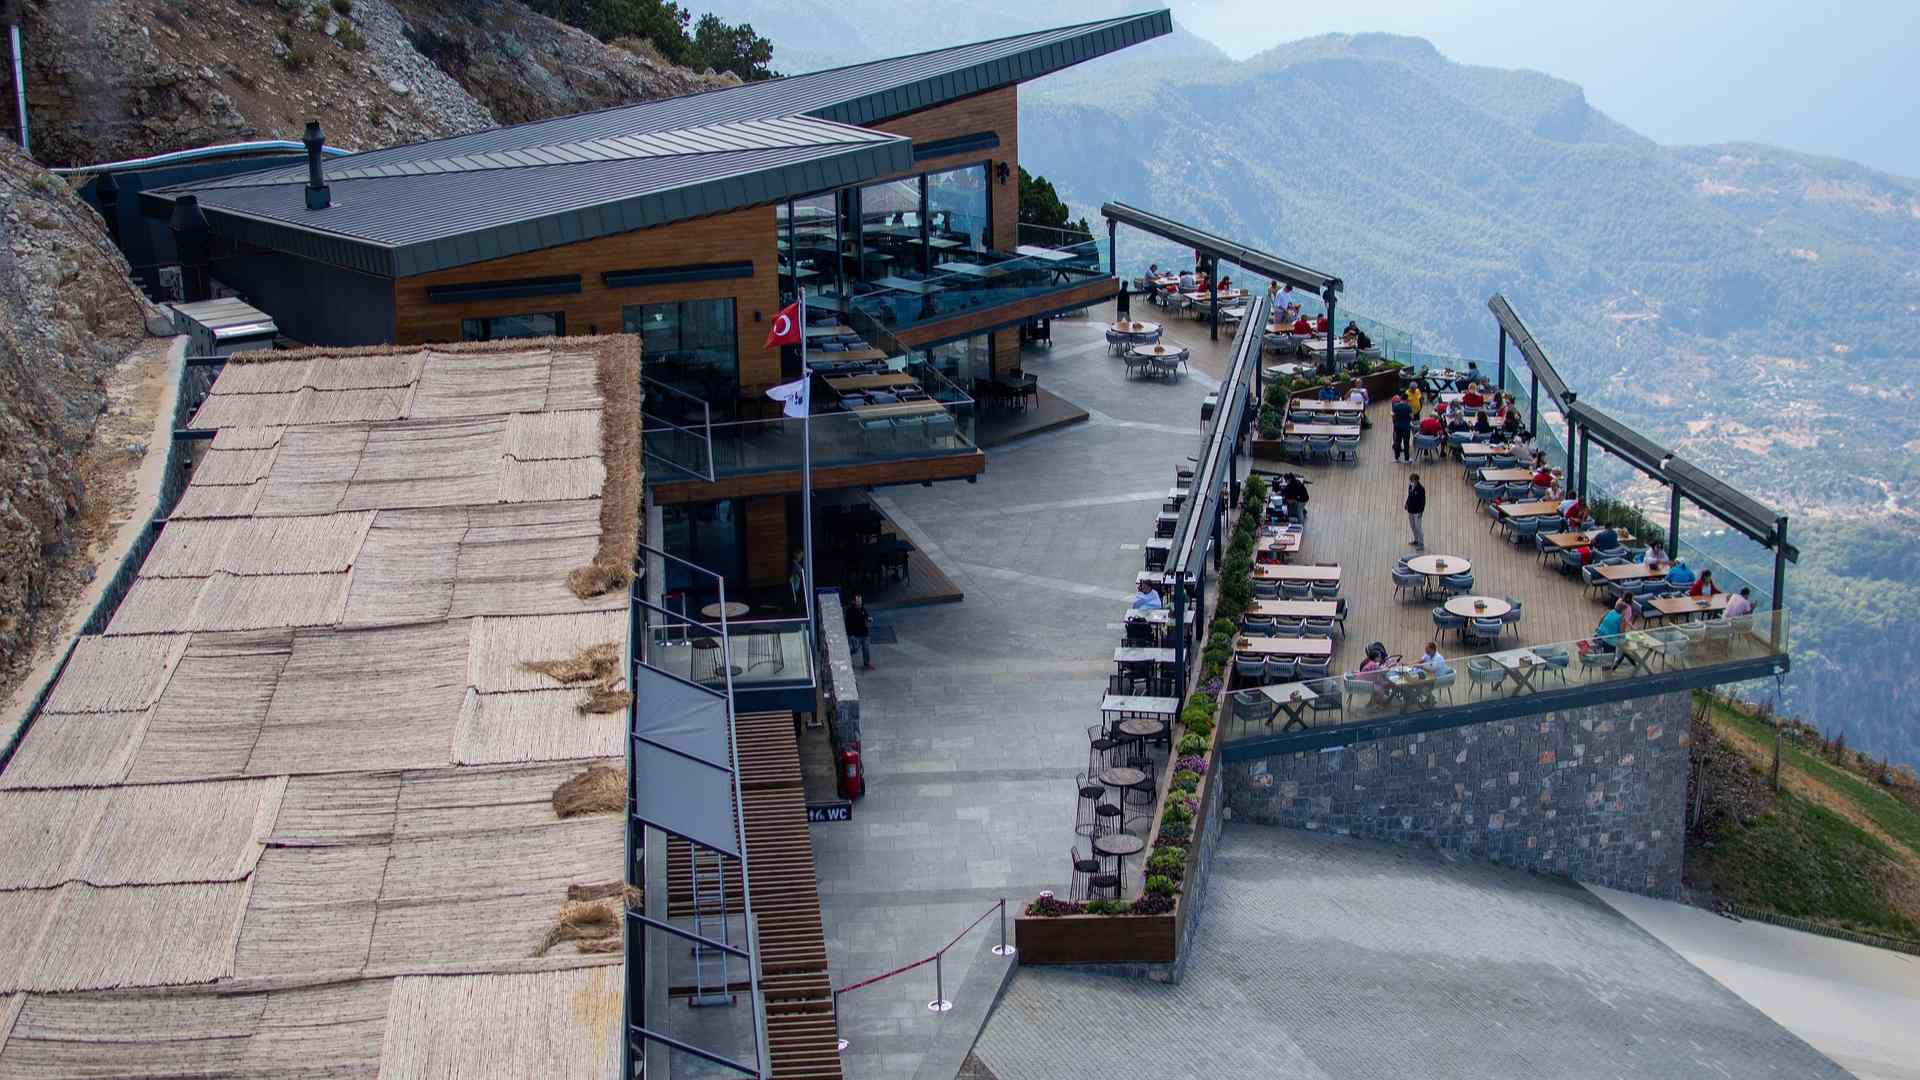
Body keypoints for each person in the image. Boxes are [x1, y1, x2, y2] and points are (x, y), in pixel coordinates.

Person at [1592, 598, 1639, 670]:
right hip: (1609, 641)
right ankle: (1607, 673)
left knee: (1622, 648)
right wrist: (1629, 637)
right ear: (1623, 610)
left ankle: (1622, 661)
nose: (1626, 613)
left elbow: (1601, 619)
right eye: (1625, 611)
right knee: (1625, 647)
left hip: (1598, 636)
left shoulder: (1611, 612)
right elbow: (1621, 633)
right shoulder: (1621, 619)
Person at [844, 593, 874, 670]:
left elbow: (866, 615)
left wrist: (869, 618)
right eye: (857, 601)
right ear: (854, 601)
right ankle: (846, 657)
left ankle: (866, 664)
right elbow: (847, 623)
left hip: (864, 632)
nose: (859, 603)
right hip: (855, 634)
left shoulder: (862, 608)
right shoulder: (850, 611)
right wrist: (850, 635)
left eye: (860, 601)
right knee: (855, 649)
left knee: (866, 649)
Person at [1405, 473, 1427, 548]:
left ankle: (1421, 543)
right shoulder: (1410, 486)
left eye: (1413, 481)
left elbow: (1423, 502)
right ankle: (1416, 540)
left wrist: (1421, 511)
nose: (1411, 482)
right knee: (1413, 526)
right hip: (1410, 510)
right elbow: (1409, 496)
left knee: (1418, 527)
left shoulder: (1421, 489)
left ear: (1417, 481)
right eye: (1411, 480)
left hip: (1417, 512)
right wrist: (1406, 503)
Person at [1391, 394, 1413, 462]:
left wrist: (1396, 420)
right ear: (1406, 399)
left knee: (1397, 442)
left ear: (1401, 398)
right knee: (1406, 443)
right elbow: (1411, 417)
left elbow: (1393, 415)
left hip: (1398, 426)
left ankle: (1396, 458)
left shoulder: (1395, 406)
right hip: (1406, 427)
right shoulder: (1408, 407)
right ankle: (1407, 459)